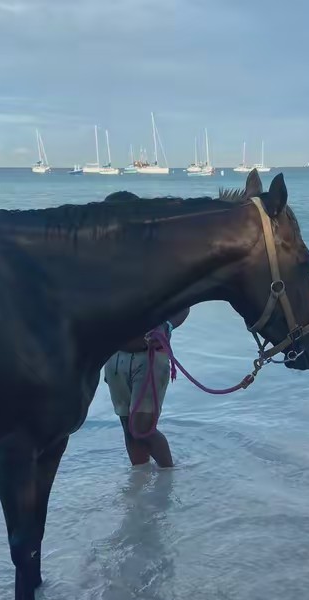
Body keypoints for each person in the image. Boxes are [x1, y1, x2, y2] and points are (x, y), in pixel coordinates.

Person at [102, 190, 190, 468]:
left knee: (142, 428)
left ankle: (169, 477)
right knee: (128, 427)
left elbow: (183, 305)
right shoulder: (101, 262)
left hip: (150, 356)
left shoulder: (159, 261)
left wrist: (166, 326)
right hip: (114, 355)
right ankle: (140, 482)